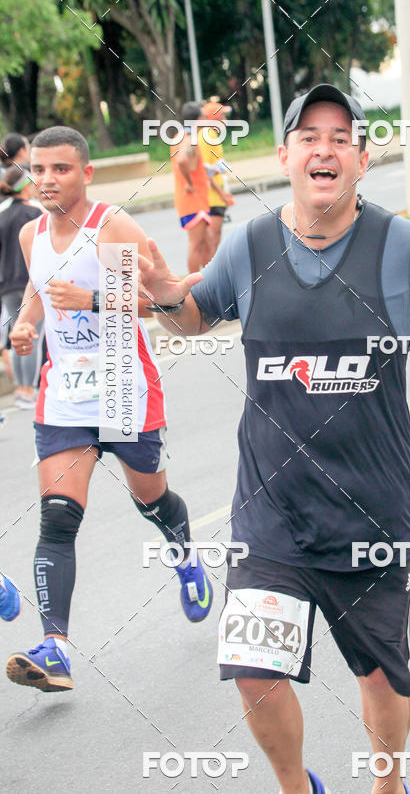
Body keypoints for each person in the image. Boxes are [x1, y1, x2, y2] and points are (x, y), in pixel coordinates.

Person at [138, 84, 410, 794]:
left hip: (371, 510)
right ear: (284, 156)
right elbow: (194, 317)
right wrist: (165, 298)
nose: (325, 150)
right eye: (309, 137)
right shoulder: (250, 245)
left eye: (341, 138)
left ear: (362, 159)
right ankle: (297, 787)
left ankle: (387, 783)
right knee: (254, 669)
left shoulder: (401, 244)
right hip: (271, 510)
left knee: (380, 676)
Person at [6, 126, 213, 695]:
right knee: (57, 518)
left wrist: (91, 299)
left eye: (61, 169)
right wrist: (24, 326)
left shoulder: (110, 227)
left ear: (86, 173)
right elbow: (36, 290)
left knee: (152, 500)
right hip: (65, 394)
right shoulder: (30, 234)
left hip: (124, 385)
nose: (47, 179)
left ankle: (184, 556)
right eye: (38, 170)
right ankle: (55, 649)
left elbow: (160, 300)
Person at [0, 166, 45, 408]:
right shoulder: (35, 212)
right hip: (30, 282)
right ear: (26, 186)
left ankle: (21, 389)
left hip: (6, 284)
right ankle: (29, 390)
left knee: (17, 334)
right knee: (32, 336)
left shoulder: (2, 215)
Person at [170, 101, 223, 274]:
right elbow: (182, 161)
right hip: (192, 200)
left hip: (196, 199)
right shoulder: (188, 138)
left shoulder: (183, 136)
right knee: (196, 244)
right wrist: (190, 183)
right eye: (205, 117)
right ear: (199, 119)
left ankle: (207, 280)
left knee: (207, 242)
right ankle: (193, 285)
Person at [199, 101, 235, 260]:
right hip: (212, 197)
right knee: (212, 239)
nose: (225, 120)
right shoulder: (207, 136)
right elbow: (205, 170)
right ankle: (209, 272)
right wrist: (221, 193)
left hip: (216, 195)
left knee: (214, 237)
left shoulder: (212, 135)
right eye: (223, 116)